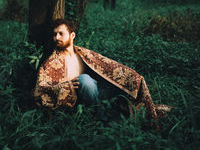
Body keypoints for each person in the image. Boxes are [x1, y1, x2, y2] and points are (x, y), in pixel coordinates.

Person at [34, 19, 171, 119]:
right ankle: (101, 118)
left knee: (127, 78)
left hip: (98, 91)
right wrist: (65, 86)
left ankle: (141, 112)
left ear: (72, 35)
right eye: (54, 34)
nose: (56, 37)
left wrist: (129, 76)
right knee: (85, 80)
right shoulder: (52, 62)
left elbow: (105, 67)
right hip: (79, 99)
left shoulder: (82, 52)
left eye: (60, 33)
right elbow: (41, 88)